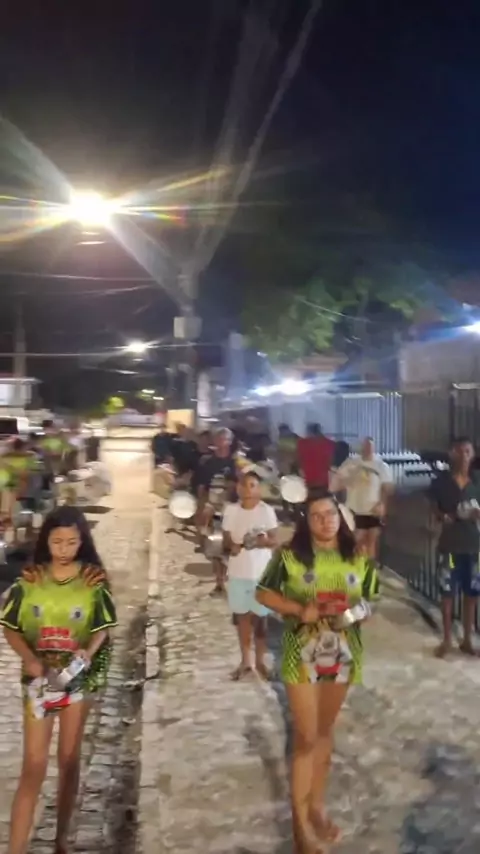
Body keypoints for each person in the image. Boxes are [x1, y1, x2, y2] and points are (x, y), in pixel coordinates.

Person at [256, 489, 379, 853]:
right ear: (307, 522)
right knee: (306, 738)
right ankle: (299, 826)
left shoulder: (358, 556)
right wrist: (298, 609)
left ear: (341, 518)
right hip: (302, 653)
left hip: (344, 652)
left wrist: (359, 613)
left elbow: (370, 598)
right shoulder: (289, 556)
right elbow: (262, 593)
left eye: (331, 514)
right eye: (317, 516)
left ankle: (317, 808)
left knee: (324, 734)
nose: (326, 521)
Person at [0, 505, 116, 854]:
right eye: (56, 542)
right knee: (33, 765)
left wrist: (88, 651)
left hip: (77, 681)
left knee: (68, 759)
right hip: (38, 683)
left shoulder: (93, 581)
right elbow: (10, 627)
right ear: (45, 541)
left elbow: (103, 625)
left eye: (71, 543)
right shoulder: (30, 581)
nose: (63, 550)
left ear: (82, 542)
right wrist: (29, 659)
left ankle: (61, 838)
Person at [222, 470, 278, 680]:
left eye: (252, 485)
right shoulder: (231, 510)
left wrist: (264, 542)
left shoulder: (266, 511)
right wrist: (232, 546)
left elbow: (275, 540)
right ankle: (246, 661)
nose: (247, 489)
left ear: (259, 489)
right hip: (238, 572)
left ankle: (260, 661)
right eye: (244, 485)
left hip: (261, 573)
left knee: (261, 619)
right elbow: (226, 539)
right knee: (242, 618)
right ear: (238, 488)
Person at [430, 436, 480, 658]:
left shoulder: (477, 481)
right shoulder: (441, 482)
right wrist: (445, 516)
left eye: (467, 451)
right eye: (459, 451)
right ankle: (447, 640)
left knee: (472, 594)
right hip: (450, 548)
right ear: (451, 454)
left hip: (475, 549)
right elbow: (434, 509)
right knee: (447, 593)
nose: (464, 456)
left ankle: (467, 639)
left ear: (473, 454)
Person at [331, 437, 393, 559]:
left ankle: (370, 566)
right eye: (365, 446)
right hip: (355, 509)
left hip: (373, 510)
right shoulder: (351, 464)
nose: (367, 449)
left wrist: (382, 503)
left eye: (370, 446)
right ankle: (356, 564)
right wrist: (349, 481)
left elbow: (387, 488)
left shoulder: (381, 466)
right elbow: (336, 483)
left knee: (372, 541)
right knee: (357, 541)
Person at [194, 427, 237, 595]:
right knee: (214, 546)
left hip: (232, 509)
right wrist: (201, 507)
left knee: (230, 546)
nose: (221, 442)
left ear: (230, 442)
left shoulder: (236, 463)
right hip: (212, 508)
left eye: (224, 439)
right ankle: (220, 581)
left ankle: (229, 578)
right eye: (218, 439)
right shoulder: (207, 461)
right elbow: (201, 486)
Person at [297, 423, 336, 489]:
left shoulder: (302, 443)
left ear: (309, 432)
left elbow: (299, 460)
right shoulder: (329, 443)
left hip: (308, 480)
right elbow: (330, 462)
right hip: (323, 481)